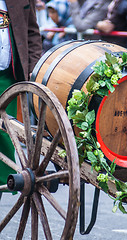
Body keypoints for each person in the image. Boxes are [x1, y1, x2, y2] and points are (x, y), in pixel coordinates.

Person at [0, 0, 42, 199]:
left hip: (9, 76)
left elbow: (32, 32)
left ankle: (1, 186)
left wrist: (34, 69)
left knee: (6, 137)